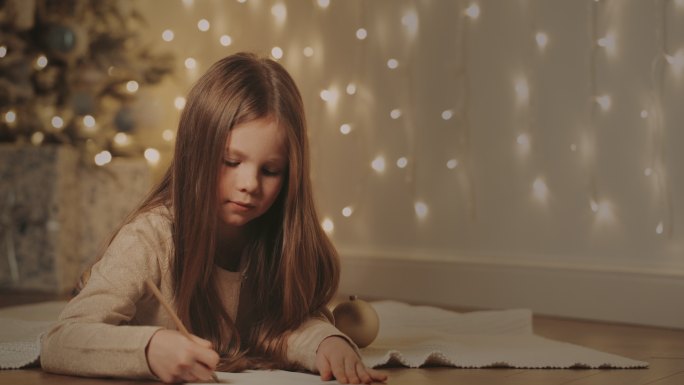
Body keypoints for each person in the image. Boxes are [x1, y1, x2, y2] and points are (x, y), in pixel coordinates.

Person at [41, 52, 388, 384]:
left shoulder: (279, 238)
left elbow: (282, 327)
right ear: (196, 154)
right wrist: (148, 349)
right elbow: (61, 339)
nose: (249, 185)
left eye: (270, 170)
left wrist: (326, 342)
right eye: (231, 162)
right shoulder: (149, 238)